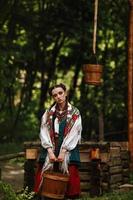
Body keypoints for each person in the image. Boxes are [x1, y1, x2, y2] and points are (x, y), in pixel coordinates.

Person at [34, 83, 82, 199]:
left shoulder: (75, 113)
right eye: (55, 95)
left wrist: (64, 151)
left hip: (68, 148)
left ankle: (69, 197)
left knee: (70, 174)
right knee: (44, 174)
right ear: (53, 97)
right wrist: (50, 151)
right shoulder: (48, 113)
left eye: (60, 93)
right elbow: (43, 131)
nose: (58, 97)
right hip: (51, 147)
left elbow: (74, 133)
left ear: (65, 93)